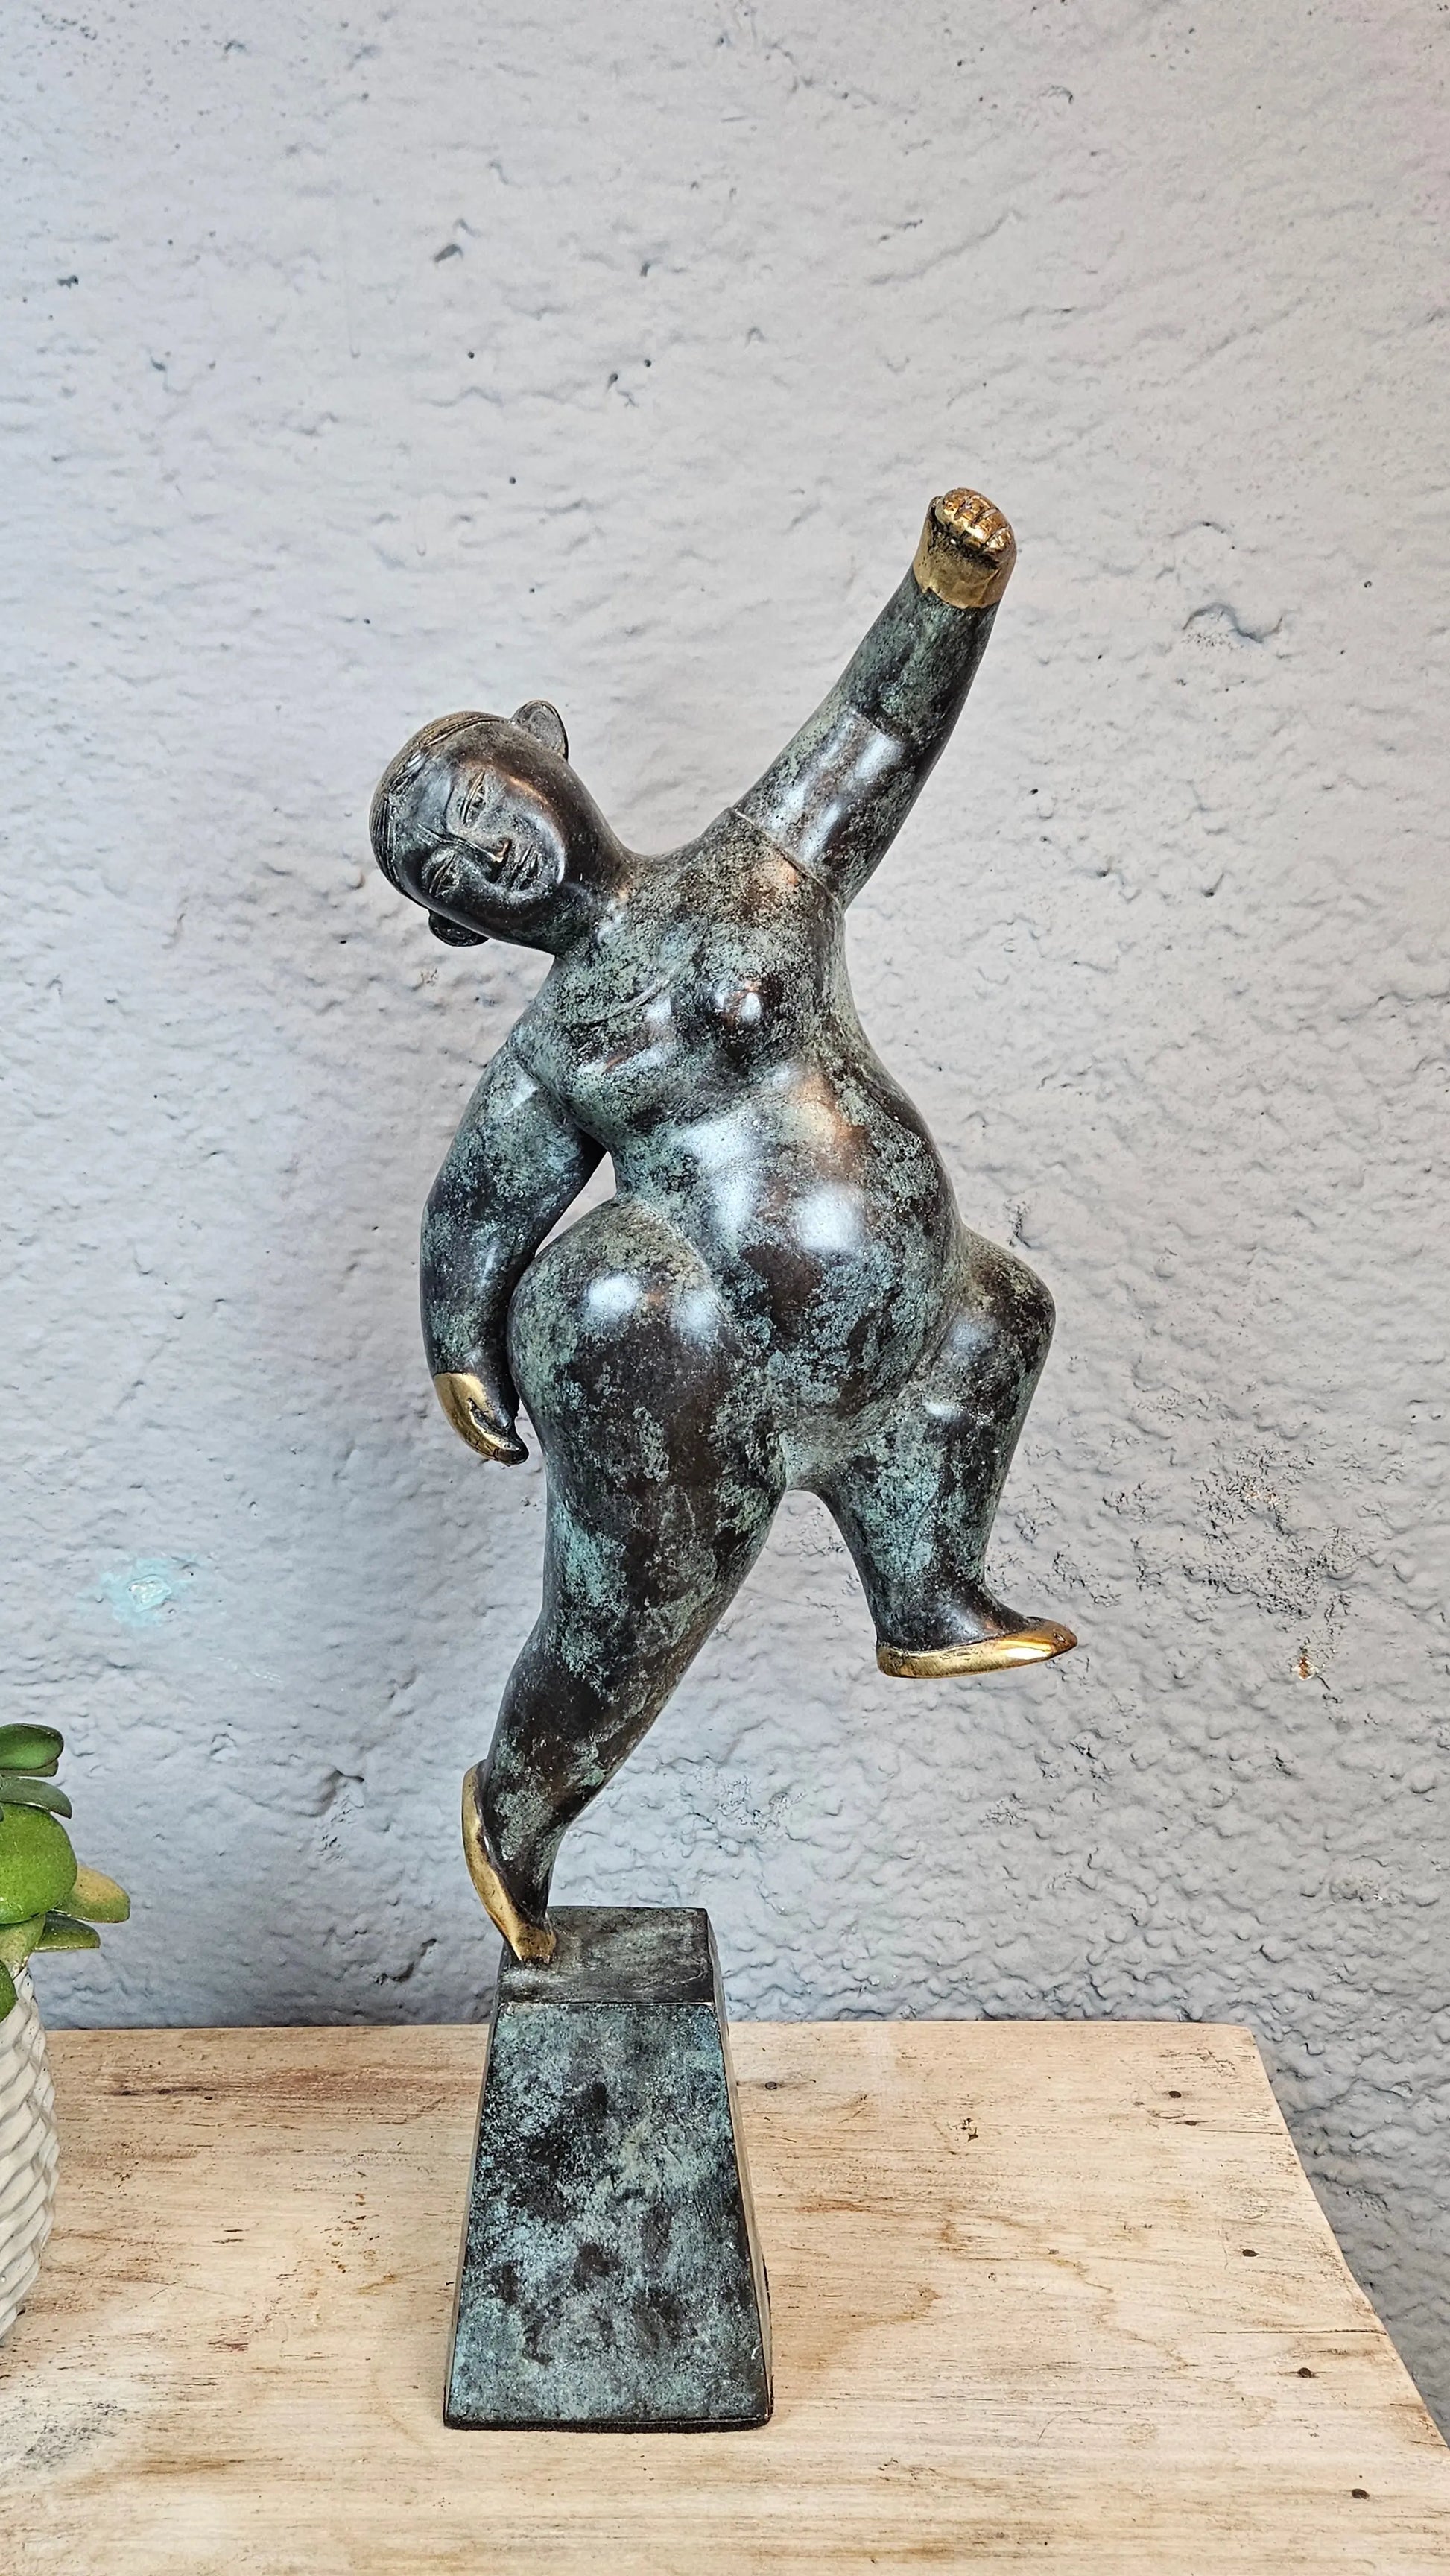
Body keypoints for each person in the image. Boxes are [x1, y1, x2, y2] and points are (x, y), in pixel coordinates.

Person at [372, 489, 1075, 1963]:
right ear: (458, 925)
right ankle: (518, 1810)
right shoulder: (557, 1046)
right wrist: (459, 1352)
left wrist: (947, 592)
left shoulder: (757, 868)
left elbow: (871, 734)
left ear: (547, 758)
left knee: (998, 1316)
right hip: (704, 1361)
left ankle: (922, 1589)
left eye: (484, 801)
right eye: (450, 872)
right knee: (635, 1622)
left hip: (899, 1322)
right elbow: (481, 1201)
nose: (482, 852)